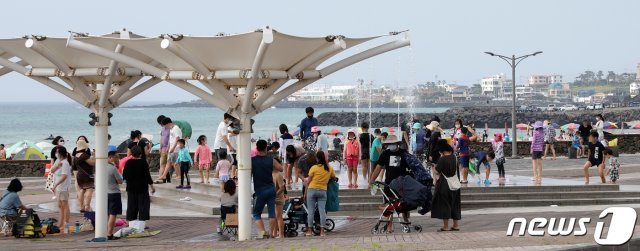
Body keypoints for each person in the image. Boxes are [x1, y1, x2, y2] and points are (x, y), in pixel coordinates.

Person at [369, 135, 412, 232]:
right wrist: (372, 180)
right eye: (389, 144)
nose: (391, 145)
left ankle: (406, 221)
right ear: (387, 144)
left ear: (397, 144)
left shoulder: (404, 153)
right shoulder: (385, 154)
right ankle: (389, 226)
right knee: (389, 203)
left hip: (402, 182)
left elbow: (411, 166)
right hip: (389, 183)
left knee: (404, 204)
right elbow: (378, 167)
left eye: (393, 143)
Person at [251, 140, 283, 239]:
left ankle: (263, 231)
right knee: (271, 213)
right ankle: (271, 234)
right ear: (266, 148)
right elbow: (281, 168)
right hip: (271, 189)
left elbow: (248, 174)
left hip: (260, 190)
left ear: (256, 148)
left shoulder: (252, 160)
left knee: (256, 213)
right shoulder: (271, 159)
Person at [431, 139, 461, 232]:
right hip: (455, 184)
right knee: (455, 204)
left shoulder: (442, 159)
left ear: (442, 151)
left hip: (444, 184)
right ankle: (456, 225)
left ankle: (446, 226)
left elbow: (437, 171)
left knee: (445, 204)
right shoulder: (455, 158)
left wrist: (433, 168)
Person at [304, 151, 336, 237]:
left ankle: (309, 231)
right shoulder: (329, 168)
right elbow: (334, 177)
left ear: (317, 158)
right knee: (322, 212)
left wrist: (305, 193)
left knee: (310, 211)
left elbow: (309, 181)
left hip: (312, 190)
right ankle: (322, 232)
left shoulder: (313, 168)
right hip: (322, 191)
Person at [122, 146, 155, 226]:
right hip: (142, 187)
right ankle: (141, 224)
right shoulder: (143, 162)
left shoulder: (128, 162)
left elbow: (124, 176)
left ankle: (131, 223)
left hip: (131, 187)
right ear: (140, 154)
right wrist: (152, 186)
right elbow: (147, 176)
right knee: (143, 205)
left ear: (132, 154)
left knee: (131, 205)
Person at [156, 117, 183, 183]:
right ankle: (164, 175)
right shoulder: (171, 129)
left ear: (168, 123)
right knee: (169, 163)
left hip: (176, 149)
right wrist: (169, 148)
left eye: (165, 125)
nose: (165, 127)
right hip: (171, 149)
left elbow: (177, 139)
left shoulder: (176, 128)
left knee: (175, 163)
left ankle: (179, 175)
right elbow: (171, 140)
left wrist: (173, 148)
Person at [51, 147, 72, 230]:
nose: (56, 154)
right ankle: (60, 223)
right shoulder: (58, 161)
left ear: (61, 153)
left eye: (57, 152)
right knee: (60, 206)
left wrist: (55, 185)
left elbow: (64, 176)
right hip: (58, 188)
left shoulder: (65, 163)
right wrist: (57, 166)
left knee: (65, 205)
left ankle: (66, 223)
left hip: (63, 187)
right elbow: (52, 170)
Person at [74, 139, 95, 212]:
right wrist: (94, 156)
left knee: (82, 190)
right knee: (89, 189)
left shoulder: (75, 156)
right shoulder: (84, 155)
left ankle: (81, 207)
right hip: (87, 175)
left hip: (79, 175)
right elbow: (92, 163)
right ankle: (87, 206)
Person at [106, 151, 123, 240]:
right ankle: (109, 233)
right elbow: (120, 181)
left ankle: (104, 231)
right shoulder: (113, 168)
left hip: (105, 193)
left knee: (106, 213)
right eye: (116, 157)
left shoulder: (101, 167)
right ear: (110, 157)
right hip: (114, 193)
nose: (117, 159)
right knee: (113, 214)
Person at [272, 164, 286, 239]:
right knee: (275, 217)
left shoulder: (278, 175)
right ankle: (274, 234)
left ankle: (281, 234)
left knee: (278, 216)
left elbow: (282, 188)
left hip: (278, 198)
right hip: (273, 198)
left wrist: (275, 194)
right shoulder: (272, 174)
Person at [156, 115, 171, 183]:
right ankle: (160, 178)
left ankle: (166, 178)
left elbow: (171, 140)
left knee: (169, 164)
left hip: (169, 149)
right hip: (163, 149)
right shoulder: (163, 129)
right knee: (162, 164)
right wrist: (160, 147)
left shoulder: (170, 128)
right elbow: (162, 138)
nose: (161, 125)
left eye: (161, 123)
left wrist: (168, 148)